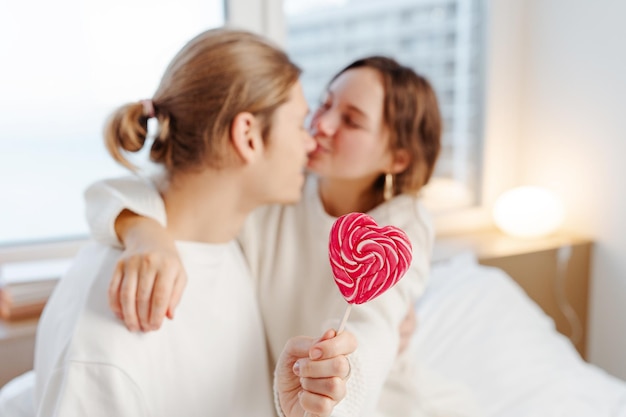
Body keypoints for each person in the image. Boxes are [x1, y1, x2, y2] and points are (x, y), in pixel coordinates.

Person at [85, 56, 480, 416]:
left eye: (352, 121)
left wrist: (334, 387)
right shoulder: (283, 189)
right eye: (325, 105)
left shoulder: (402, 225)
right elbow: (117, 194)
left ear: (398, 158)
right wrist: (145, 234)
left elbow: (371, 327)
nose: (321, 126)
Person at [33, 28, 356, 417]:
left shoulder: (222, 246)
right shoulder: (114, 330)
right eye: (300, 124)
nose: (310, 143)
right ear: (248, 136)